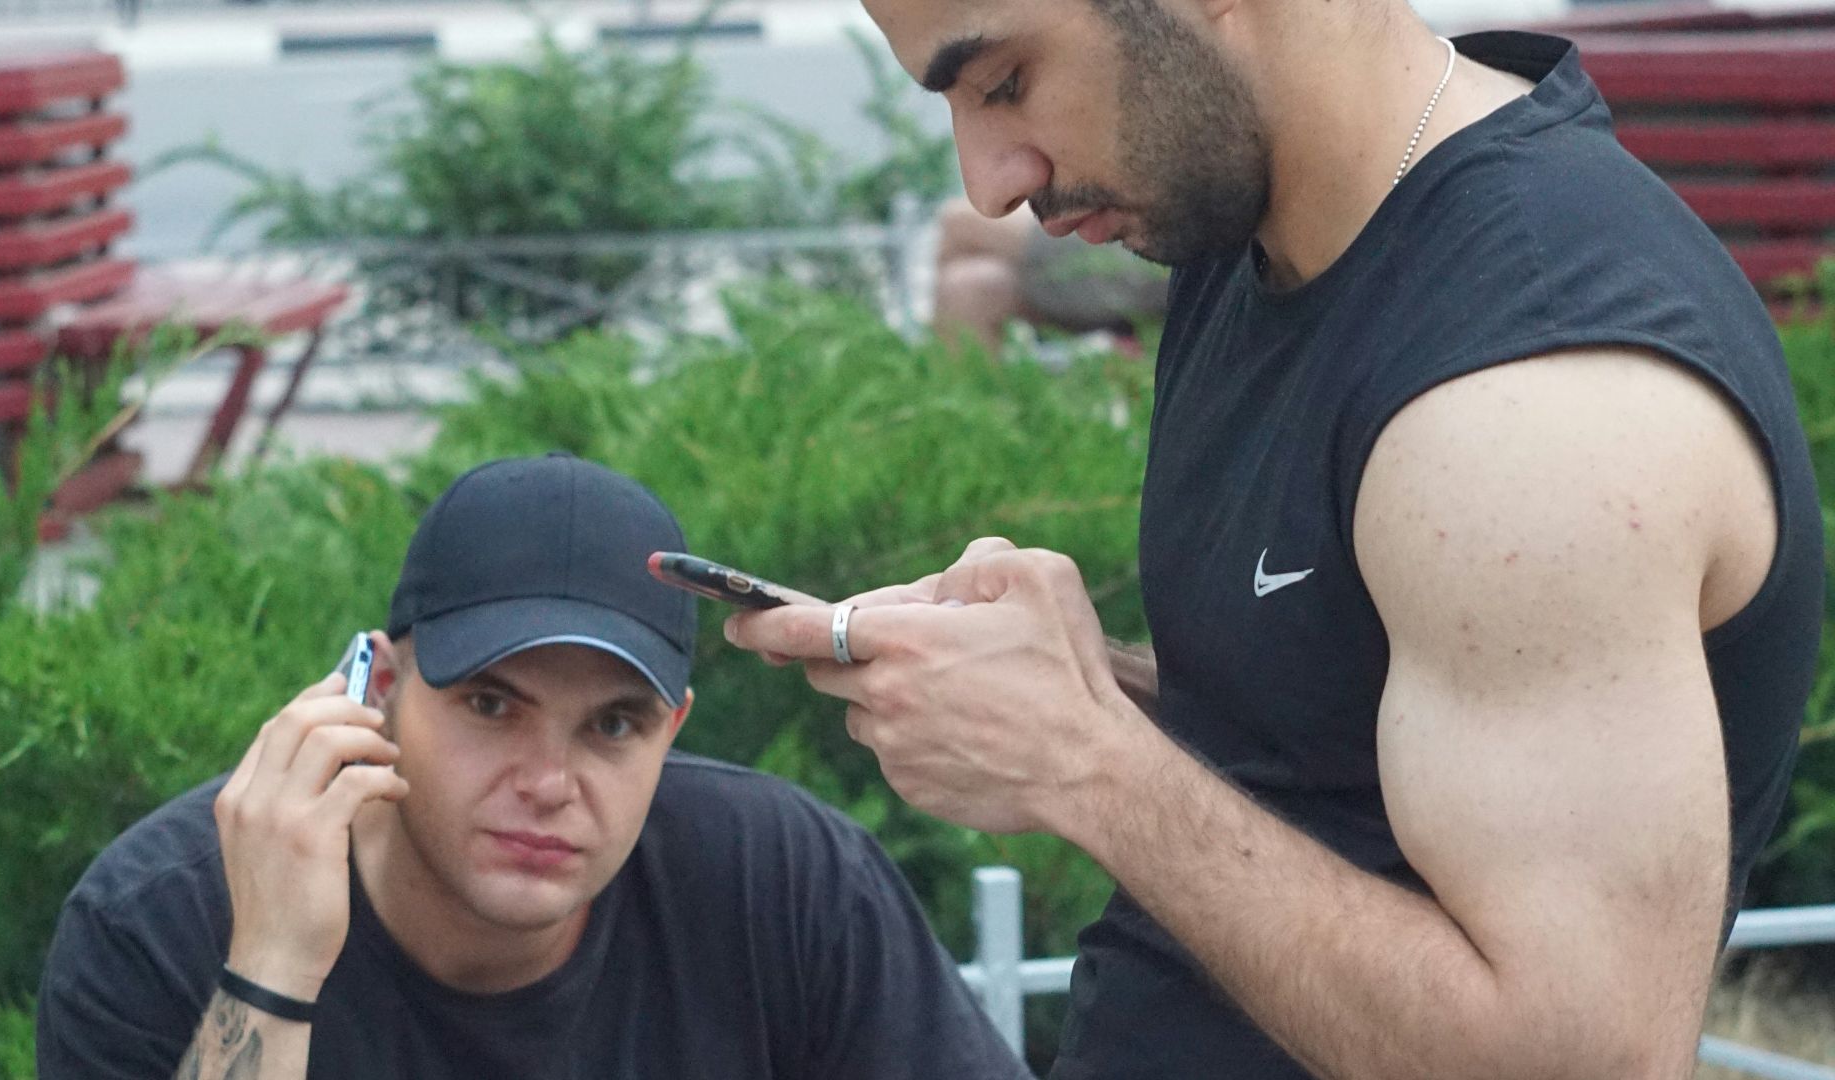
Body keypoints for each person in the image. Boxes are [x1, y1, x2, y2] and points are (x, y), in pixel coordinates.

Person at [726, 2, 1826, 1078]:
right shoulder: (1258, 226)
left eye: (1005, 82)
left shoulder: (1528, 399)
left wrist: (1087, 764)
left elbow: (1581, 1058)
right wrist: (1067, 691)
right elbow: (1341, 757)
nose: (989, 180)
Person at [36, 453, 1031, 1080]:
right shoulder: (161, 921)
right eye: (490, 704)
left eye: (612, 727)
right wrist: (273, 972)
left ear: (672, 731)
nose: (548, 781)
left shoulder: (782, 884)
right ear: (376, 688)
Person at [933, 198, 1169, 353]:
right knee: (967, 287)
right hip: (1130, 250)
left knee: (960, 221)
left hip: (1161, 257)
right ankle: (975, 418)